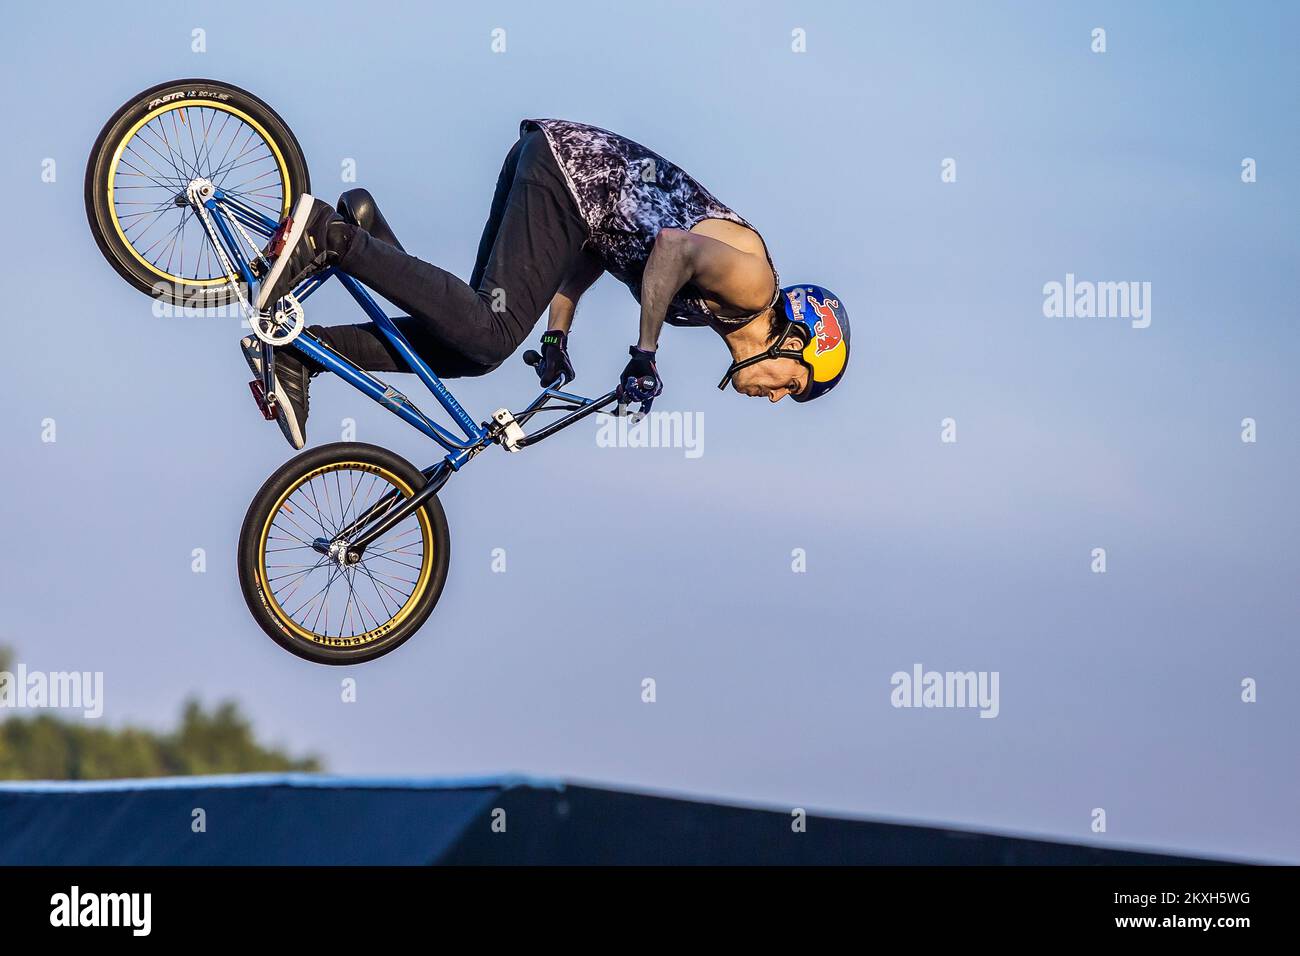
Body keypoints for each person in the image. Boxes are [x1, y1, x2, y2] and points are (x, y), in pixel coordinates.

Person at [241, 119, 850, 449]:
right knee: (489, 332)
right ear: (793, 341)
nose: (775, 398)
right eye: (791, 386)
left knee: (468, 350)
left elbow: (598, 249)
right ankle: (334, 236)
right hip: (565, 174)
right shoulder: (753, 285)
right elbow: (670, 247)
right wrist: (644, 354)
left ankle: (304, 349)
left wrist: (558, 336)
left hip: (563, 185)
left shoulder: (714, 312)